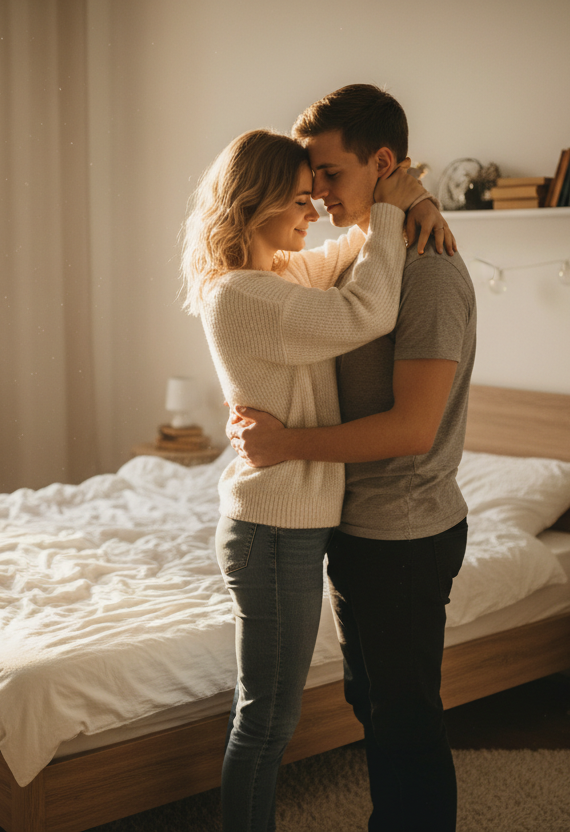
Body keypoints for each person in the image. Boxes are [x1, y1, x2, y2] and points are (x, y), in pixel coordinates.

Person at [181, 127, 451, 832]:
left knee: (270, 714)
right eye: (300, 200)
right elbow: (369, 308)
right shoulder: (243, 295)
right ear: (255, 202)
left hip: (291, 526)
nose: (313, 212)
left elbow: (354, 255)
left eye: (315, 194)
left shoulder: (276, 275)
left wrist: (413, 197)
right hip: (273, 529)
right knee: (267, 720)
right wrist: (394, 211)